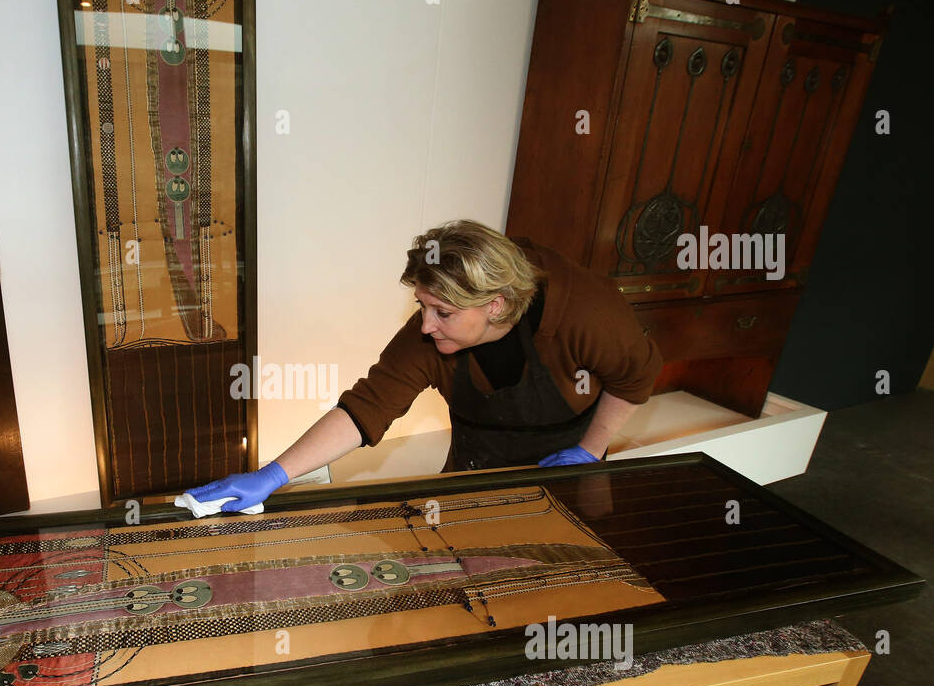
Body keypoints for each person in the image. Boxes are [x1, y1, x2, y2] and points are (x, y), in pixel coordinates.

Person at [185, 219, 661, 514]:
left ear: (495, 306)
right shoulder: (430, 335)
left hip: (571, 469)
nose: (426, 325)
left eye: (443, 313)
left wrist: (591, 449)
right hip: (474, 472)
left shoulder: (586, 312)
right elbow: (364, 409)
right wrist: (272, 475)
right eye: (422, 305)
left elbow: (636, 376)